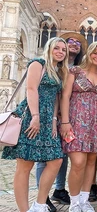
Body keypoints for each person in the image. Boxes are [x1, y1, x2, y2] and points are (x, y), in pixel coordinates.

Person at [2, 37, 69, 212]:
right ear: (49, 48)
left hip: (48, 121)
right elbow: (31, 89)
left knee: (56, 160)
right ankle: (25, 210)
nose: (60, 51)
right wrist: (35, 116)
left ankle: (39, 205)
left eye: (64, 49)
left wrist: (54, 121)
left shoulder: (58, 70)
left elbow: (56, 99)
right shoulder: (38, 64)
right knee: (25, 165)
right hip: (31, 117)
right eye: (57, 48)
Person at [35, 32, 88, 211]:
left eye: (77, 43)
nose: (74, 44)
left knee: (62, 153)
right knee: (45, 155)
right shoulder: (53, 65)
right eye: (69, 42)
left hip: (70, 116)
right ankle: (43, 196)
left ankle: (59, 189)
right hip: (49, 113)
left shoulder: (80, 68)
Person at [60, 41, 97, 212]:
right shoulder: (75, 71)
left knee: (92, 161)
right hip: (76, 121)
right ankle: (74, 202)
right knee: (78, 162)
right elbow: (66, 96)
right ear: (89, 53)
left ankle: (84, 200)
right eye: (95, 53)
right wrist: (65, 122)